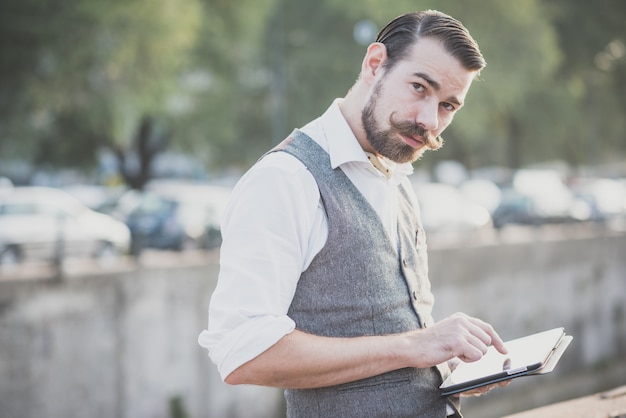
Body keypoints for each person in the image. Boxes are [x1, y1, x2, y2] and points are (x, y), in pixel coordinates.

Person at [198, 9, 508, 418]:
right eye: (419, 87)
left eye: (449, 105)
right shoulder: (285, 179)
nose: (429, 121)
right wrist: (418, 345)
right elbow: (242, 352)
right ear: (374, 64)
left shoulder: (396, 174)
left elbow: (393, 339)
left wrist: (449, 362)